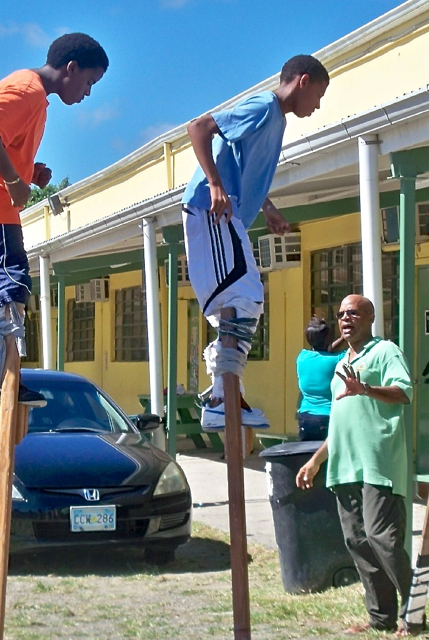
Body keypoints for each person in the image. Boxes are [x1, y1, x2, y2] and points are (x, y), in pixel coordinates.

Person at [0, 32, 108, 409]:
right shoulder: (28, 90)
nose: (88, 93)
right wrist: (14, 180)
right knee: (6, 288)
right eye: (89, 82)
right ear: (71, 68)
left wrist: (27, 171)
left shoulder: (33, 95)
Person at [181, 55, 329, 428]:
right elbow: (199, 127)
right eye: (319, 95)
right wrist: (215, 185)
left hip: (230, 218)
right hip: (209, 209)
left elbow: (242, 162)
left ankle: (222, 393)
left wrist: (268, 207)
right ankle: (218, 398)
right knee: (242, 298)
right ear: (303, 81)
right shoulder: (264, 106)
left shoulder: (275, 120)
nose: (318, 105)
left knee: (248, 301)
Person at [296, 295, 413, 635]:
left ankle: (414, 611)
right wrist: (316, 461)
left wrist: (366, 389)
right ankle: (381, 618)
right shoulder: (341, 362)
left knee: (383, 539)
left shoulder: (384, 351)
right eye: (342, 314)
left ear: (370, 317)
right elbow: (341, 423)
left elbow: (403, 392)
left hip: (378, 462)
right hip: (344, 467)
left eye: (354, 313)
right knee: (359, 544)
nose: (346, 319)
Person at [296, 316, 345, 441]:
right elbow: (348, 350)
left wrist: (341, 338)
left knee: (308, 456)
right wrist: (345, 337)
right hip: (327, 417)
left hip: (305, 417)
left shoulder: (302, 357)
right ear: (328, 339)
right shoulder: (337, 360)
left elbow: (325, 350)